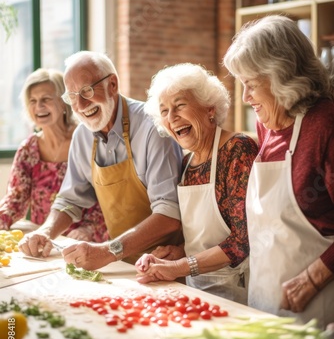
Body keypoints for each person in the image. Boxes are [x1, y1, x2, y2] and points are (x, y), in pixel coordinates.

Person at [19, 51, 183, 267]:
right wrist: (46, 231)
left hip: (165, 263)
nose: (80, 104)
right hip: (119, 261)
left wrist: (108, 250)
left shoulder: (152, 127)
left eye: (86, 90)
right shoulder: (82, 135)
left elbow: (169, 213)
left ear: (112, 85)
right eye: (72, 96)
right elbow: (70, 200)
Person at [223, 14, 334, 329]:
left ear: (281, 76)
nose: (245, 98)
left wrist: (313, 278)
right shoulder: (266, 122)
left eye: (251, 85)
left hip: (318, 309)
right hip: (266, 299)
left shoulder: (325, 125)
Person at [135, 63, 258, 303]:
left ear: (209, 109)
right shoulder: (186, 163)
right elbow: (202, 239)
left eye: (180, 105)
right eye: (164, 111)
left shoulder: (237, 150)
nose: (172, 117)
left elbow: (243, 241)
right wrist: (178, 251)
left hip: (238, 291)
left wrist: (181, 266)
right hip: (196, 291)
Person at [0, 68, 107, 242]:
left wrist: (89, 229)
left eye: (46, 99)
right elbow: (16, 198)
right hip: (44, 238)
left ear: (64, 101)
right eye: (32, 101)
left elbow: (107, 195)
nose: (39, 106)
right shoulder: (28, 149)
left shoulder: (87, 139)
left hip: (88, 238)